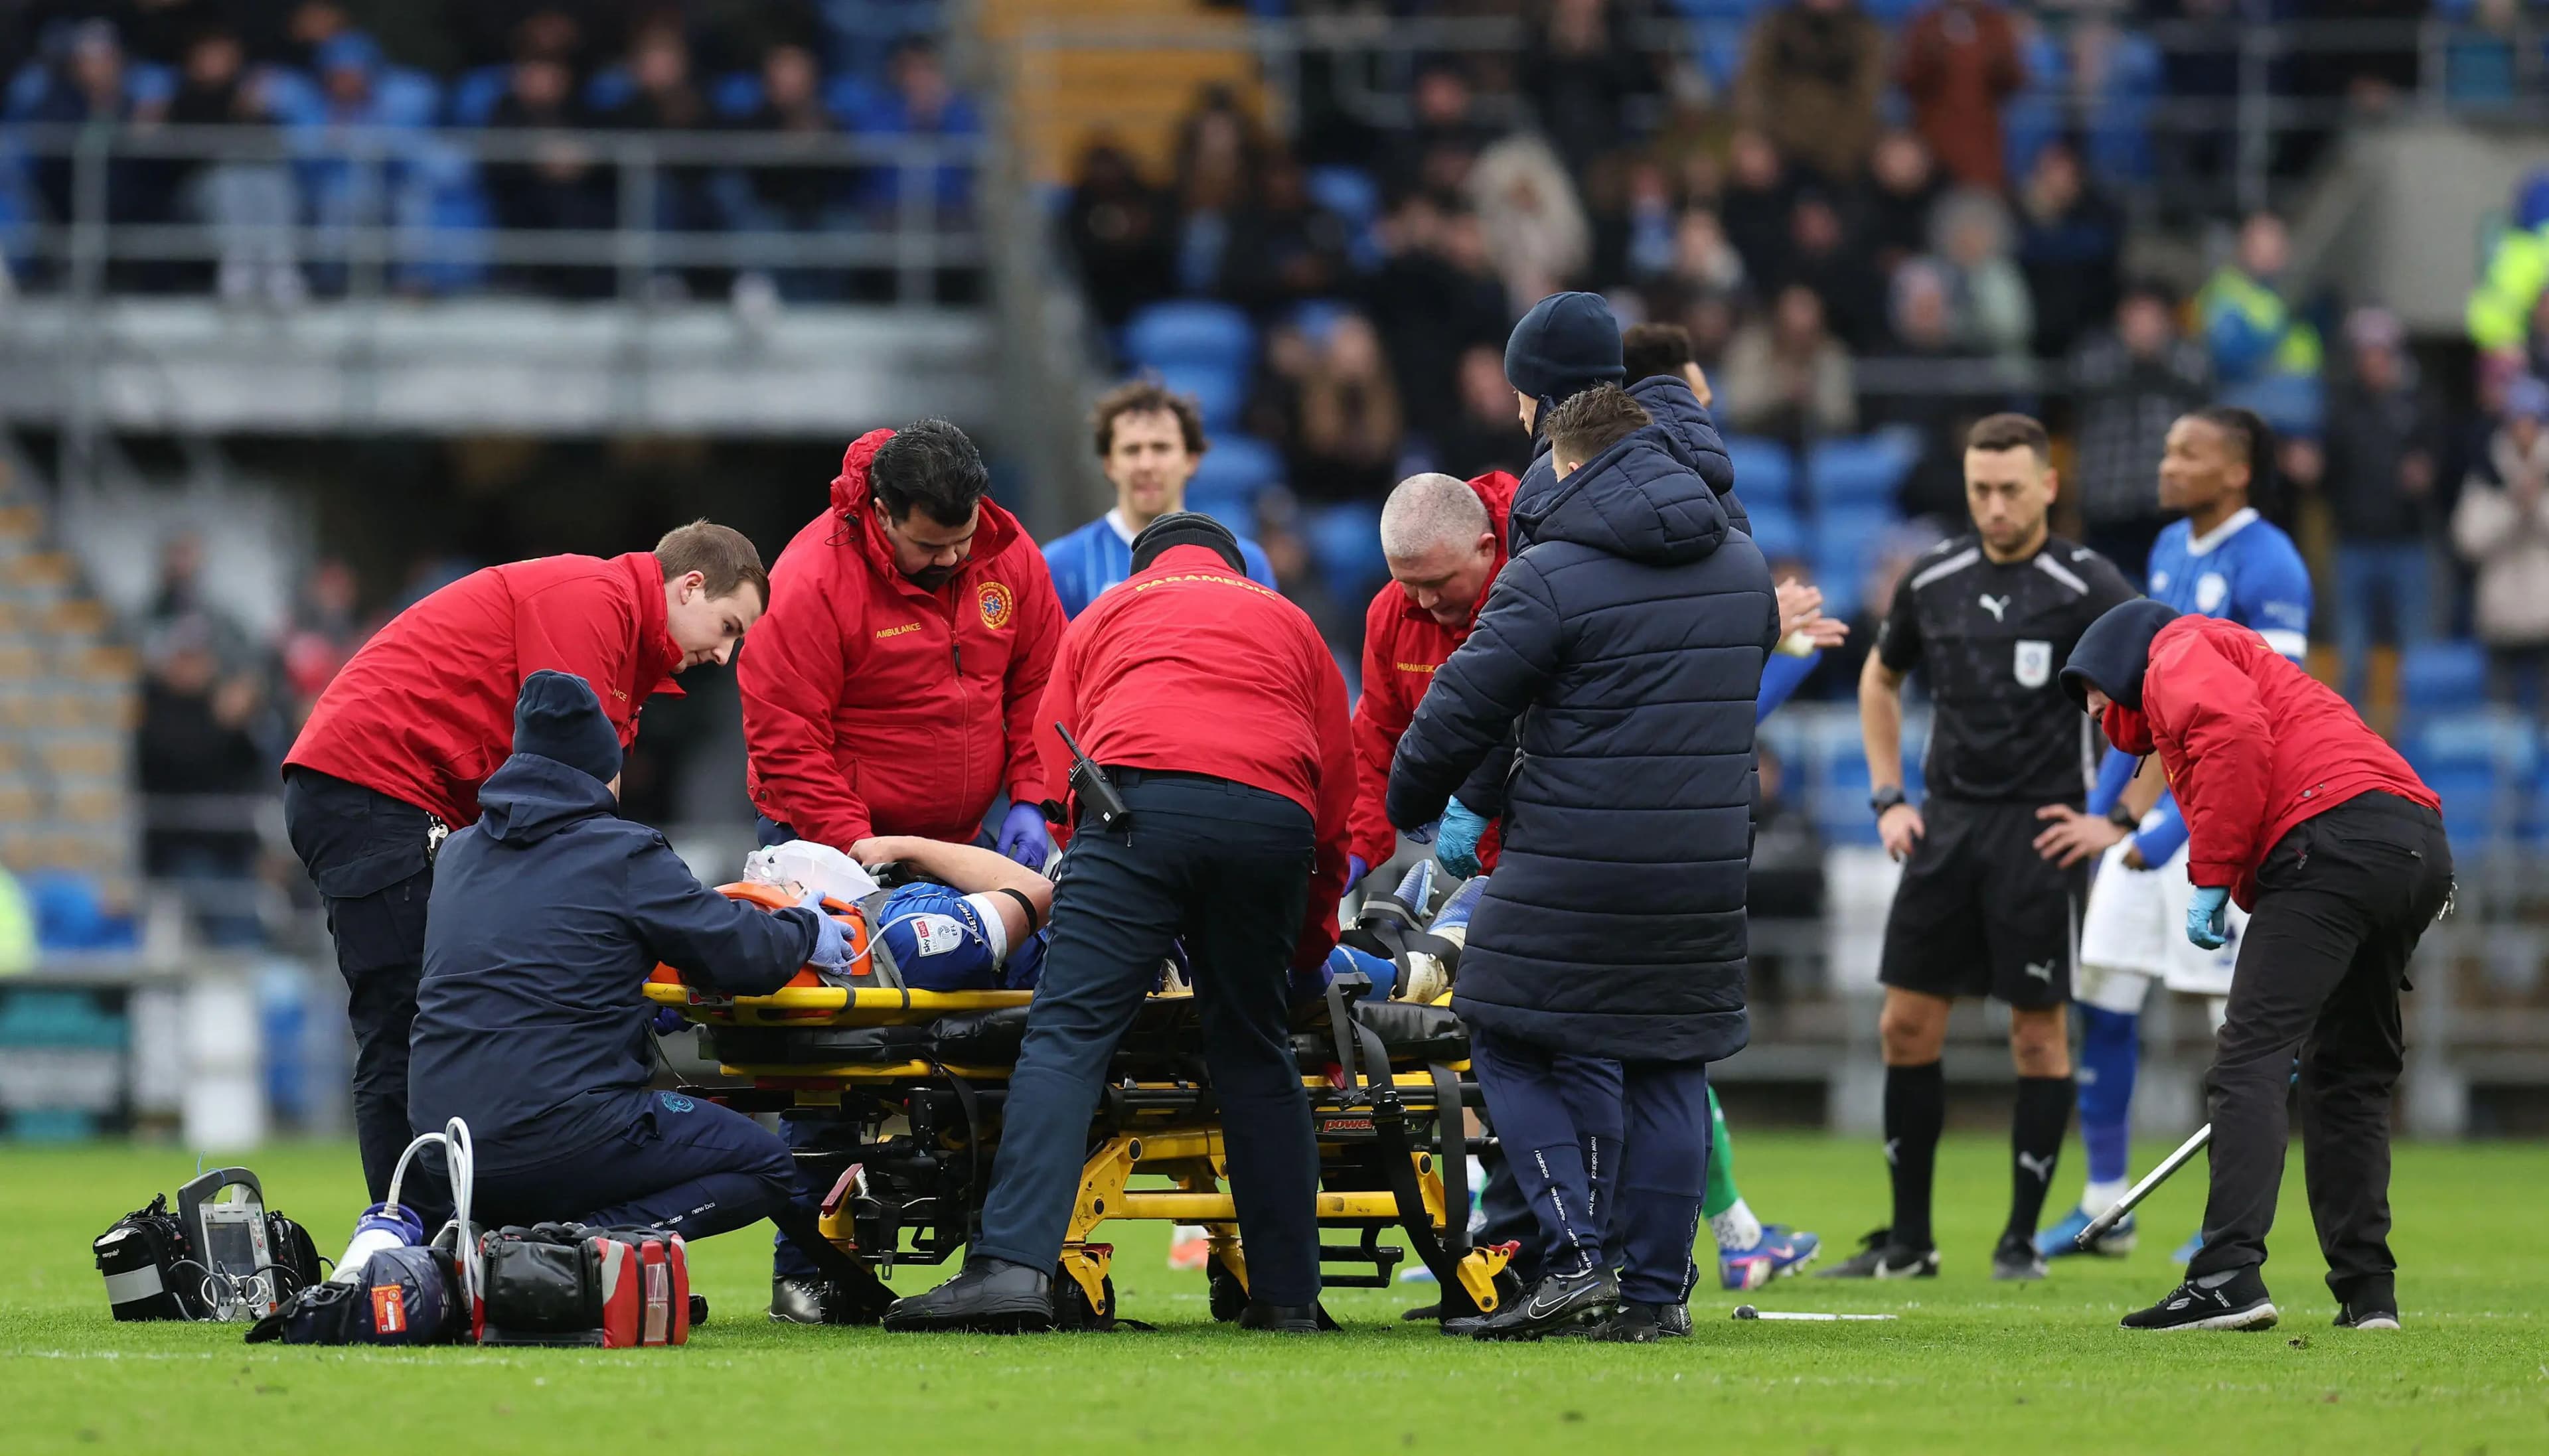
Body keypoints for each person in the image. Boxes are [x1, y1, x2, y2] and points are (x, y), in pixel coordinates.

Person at [883, 512, 1355, 1335]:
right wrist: (1309, 946)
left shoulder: (1109, 609)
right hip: (1273, 821)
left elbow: (1061, 754)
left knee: (1067, 1036)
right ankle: (1287, 1293)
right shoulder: (1289, 621)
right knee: (1254, 1045)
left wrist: (1107, 885)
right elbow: (1336, 803)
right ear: (1234, 565)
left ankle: (1012, 1269)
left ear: (1145, 564)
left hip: (1139, 806)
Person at [1389, 385, 1775, 1342]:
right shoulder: (1744, 564)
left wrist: (1414, 801)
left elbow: (1464, 708)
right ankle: (1655, 1296)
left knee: (1504, 1026)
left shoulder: (1550, 572)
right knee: (1666, 1062)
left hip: (1577, 853)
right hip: (1708, 861)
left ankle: (1574, 1260)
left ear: (1567, 463)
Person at [283, 522, 770, 1205]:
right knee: (409, 1022)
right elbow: (579, 813)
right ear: (690, 586)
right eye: (728, 626)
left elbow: (573, 824)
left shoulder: (613, 625)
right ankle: (410, 1248)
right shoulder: (594, 604)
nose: (725, 654)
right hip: (377, 787)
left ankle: (460, 1246)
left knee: (450, 1016)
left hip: (391, 793)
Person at [737, 418, 1065, 1319]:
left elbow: (1043, 682)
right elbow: (786, 742)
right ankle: (804, 1262)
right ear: (880, 513)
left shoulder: (1007, 556)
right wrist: (859, 855)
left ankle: (1014, 1240)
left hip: (965, 839)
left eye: (963, 541)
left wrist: (1034, 799)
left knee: (982, 1032)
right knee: (833, 1048)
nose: (952, 561)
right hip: (831, 837)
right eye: (931, 546)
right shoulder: (809, 580)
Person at [2060, 601, 2449, 1333]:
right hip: (2413, 843)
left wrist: (2208, 876)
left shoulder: (2175, 651)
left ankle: (2227, 1272)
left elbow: (2235, 736)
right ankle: (2369, 1296)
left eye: (2091, 690)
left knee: (2250, 1060)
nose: (2093, 709)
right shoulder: (2238, 658)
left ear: (2118, 659)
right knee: (2346, 1073)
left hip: (2330, 839)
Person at [1825, 413, 2137, 1282]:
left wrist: (2114, 818)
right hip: (1946, 823)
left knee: (2038, 1035)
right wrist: (1889, 797)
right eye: (1979, 491)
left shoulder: (2087, 583)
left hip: (2042, 830)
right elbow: (1879, 678)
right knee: (1905, 1023)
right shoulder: (1935, 577)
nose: (1994, 507)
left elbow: (2159, 694)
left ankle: (2018, 1240)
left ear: (2047, 485)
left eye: (2010, 489)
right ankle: (1910, 1240)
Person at [406, 672, 841, 1239]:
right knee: (763, 1164)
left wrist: (630, 1003)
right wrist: (807, 926)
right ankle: (579, 1249)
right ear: (605, 769)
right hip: (559, 1132)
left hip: (447, 1151)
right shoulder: (622, 852)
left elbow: (526, 980)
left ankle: (516, 1249)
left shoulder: (460, 853)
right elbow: (744, 955)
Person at [2035, 407, 2312, 1262]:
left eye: (2188, 452)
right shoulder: (2164, 551)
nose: (2167, 464)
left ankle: (2225, 1221)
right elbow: (2140, 709)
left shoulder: (2271, 564)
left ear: (2236, 471)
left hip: (2219, 828)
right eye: (2167, 449)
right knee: (2105, 997)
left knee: (2237, 1028)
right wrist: (2112, 814)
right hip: (2155, 822)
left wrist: (2163, 835)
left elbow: (2250, 728)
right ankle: (2104, 1205)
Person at [1042, 380, 1276, 618]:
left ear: (1191, 460)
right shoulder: (1062, 565)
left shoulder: (1245, 563)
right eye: (1132, 450)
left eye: (1161, 448)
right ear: (1109, 464)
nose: (1147, 465)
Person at [2319, 307, 2441, 705]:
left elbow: (2447, 459)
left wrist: (2429, 474)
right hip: (2353, 543)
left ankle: (2418, 753)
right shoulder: (2340, 408)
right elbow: (2327, 474)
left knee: (2417, 657)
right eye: (2368, 352)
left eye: (2382, 352)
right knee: (2351, 656)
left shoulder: (2419, 405)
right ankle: (2345, 750)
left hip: (2408, 543)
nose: (2375, 361)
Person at [2069, 284, 2213, 581]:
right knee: (2110, 599)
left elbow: (2201, 379)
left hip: (2168, 506)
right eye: (2138, 316)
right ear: (2122, 316)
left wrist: (2155, 358)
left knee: (2170, 599)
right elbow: (2081, 379)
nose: (2145, 326)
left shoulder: (2186, 356)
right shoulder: (2097, 353)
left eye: (2153, 317)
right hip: (2108, 505)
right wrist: (2132, 355)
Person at [2451, 375, 2549, 710]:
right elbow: (2468, 540)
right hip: (2501, 618)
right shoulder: (2487, 470)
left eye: (2531, 421)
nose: (2524, 430)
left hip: (2545, 614)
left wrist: (2536, 505)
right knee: (2501, 731)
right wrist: (2513, 506)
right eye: (2517, 421)